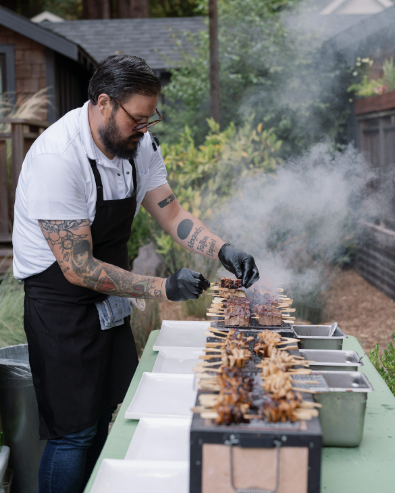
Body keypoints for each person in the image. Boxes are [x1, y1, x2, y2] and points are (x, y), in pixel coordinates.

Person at [12, 54, 259, 493]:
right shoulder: (58, 158)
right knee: (73, 432)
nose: (146, 129)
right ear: (104, 103)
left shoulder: (137, 146)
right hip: (60, 305)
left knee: (105, 412)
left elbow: (173, 213)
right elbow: (78, 266)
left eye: (151, 118)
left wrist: (223, 249)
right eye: (138, 119)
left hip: (108, 296)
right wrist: (164, 287)